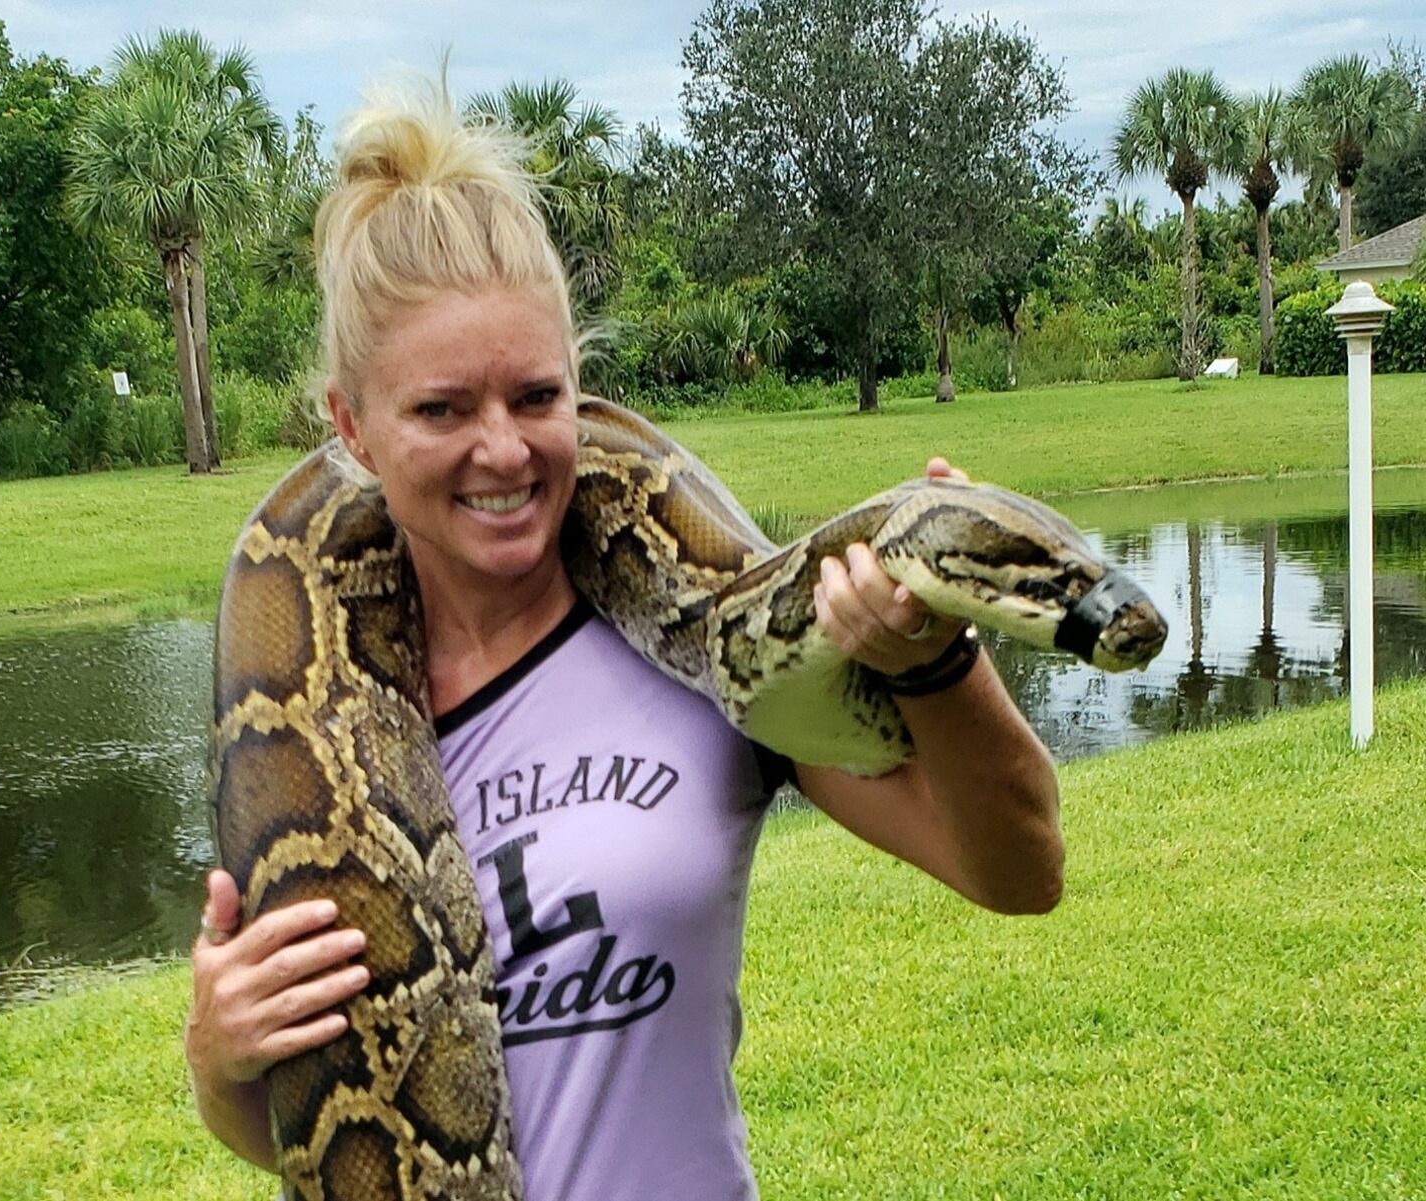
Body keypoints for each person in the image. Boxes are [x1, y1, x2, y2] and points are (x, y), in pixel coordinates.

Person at [184, 74, 1062, 1200]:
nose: (502, 451)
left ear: (579, 392)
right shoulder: (304, 707)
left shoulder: (715, 647)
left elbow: (1020, 869)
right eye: (442, 409)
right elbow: (343, 1128)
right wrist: (220, 1067)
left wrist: (931, 659)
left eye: (536, 397)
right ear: (350, 423)